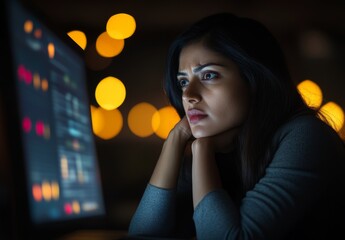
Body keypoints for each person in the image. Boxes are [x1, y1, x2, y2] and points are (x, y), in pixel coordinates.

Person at [127, 12, 345, 240]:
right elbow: (142, 235)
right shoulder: (224, 145)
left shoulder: (306, 136)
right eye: (183, 81)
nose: (188, 95)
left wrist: (202, 149)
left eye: (209, 75)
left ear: (253, 79)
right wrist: (174, 139)